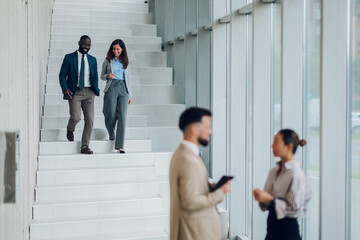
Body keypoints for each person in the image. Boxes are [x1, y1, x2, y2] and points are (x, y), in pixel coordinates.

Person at [169, 107, 232, 240]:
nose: (210, 131)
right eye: (207, 127)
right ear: (194, 129)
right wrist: (219, 193)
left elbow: (188, 191)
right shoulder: (188, 160)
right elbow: (190, 201)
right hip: (194, 233)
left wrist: (210, 187)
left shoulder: (183, 154)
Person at [253, 129, 312, 240]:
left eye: (276, 142)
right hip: (272, 229)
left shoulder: (296, 175)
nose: (272, 145)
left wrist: (270, 200)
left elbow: (295, 210)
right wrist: (261, 198)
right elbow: (268, 200)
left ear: (288, 147)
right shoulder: (274, 172)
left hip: (287, 232)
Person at [59, 35, 100, 154]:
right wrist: (65, 88)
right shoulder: (69, 57)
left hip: (89, 92)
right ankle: (70, 129)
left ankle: (84, 146)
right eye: (84, 44)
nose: (86, 47)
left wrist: (95, 88)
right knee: (76, 117)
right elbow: (62, 75)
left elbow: (95, 76)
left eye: (88, 45)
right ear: (79, 43)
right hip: (75, 92)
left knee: (90, 120)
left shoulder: (92, 60)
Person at [101, 39, 132, 154]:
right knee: (110, 113)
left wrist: (130, 95)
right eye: (114, 49)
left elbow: (129, 80)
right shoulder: (108, 61)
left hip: (124, 88)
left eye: (118, 49)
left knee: (123, 116)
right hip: (111, 87)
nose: (115, 51)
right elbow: (101, 76)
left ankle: (120, 145)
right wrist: (108, 75)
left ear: (122, 49)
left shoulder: (127, 62)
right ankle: (112, 133)